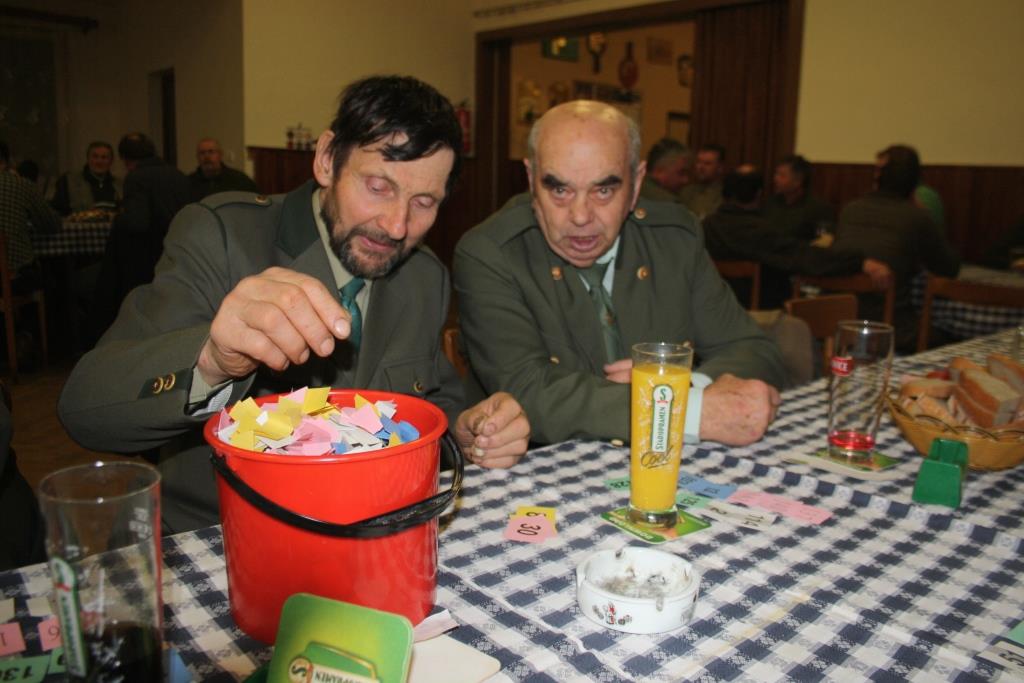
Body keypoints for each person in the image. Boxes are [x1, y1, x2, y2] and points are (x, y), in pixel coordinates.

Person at [59, 76, 530, 533]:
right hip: (216, 536)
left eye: (424, 201)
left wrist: (465, 431)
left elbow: (433, 401)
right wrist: (211, 360)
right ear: (326, 160)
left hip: (370, 534)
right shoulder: (220, 235)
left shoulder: (424, 277)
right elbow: (84, 409)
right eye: (378, 186)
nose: (396, 226)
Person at [454, 101, 783, 450]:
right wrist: (680, 409)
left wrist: (684, 385)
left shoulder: (673, 239)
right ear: (531, 179)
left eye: (604, 190)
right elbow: (528, 391)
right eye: (560, 190)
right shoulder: (490, 253)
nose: (580, 216)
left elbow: (754, 350)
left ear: (637, 183)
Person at [832, 144, 960, 351]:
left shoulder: (850, 209)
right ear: (915, 182)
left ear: (878, 178)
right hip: (889, 328)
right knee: (951, 336)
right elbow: (949, 268)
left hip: (839, 321)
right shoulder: (916, 217)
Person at [705, 167, 891, 309]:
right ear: (759, 194)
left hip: (713, 309)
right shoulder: (756, 231)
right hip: (761, 317)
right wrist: (859, 262)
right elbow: (803, 257)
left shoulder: (707, 226)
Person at [89, 133, 190, 341]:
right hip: (179, 253)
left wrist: (119, 218)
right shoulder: (178, 175)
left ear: (125, 159)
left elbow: (137, 222)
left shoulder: (136, 178)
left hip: (148, 258)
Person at [0, 142, 60, 290]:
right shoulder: (21, 185)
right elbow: (51, 225)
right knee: (52, 274)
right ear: (5, 162)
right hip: (13, 276)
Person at [764, 154, 835, 242]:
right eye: (776, 174)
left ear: (798, 180)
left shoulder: (818, 208)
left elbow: (824, 241)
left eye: (782, 175)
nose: (775, 179)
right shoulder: (770, 203)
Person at [51, 141, 121, 216]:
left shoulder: (119, 185)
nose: (99, 161)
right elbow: (57, 212)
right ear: (88, 159)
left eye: (104, 157)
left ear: (111, 161)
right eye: (95, 157)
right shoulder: (68, 181)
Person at [188, 137, 259, 201]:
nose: (207, 156)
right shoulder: (189, 183)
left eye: (211, 152)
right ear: (197, 157)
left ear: (220, 154)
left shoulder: (239, 180)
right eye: (202, 153)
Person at [679, 143, 725, 219]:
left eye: (707, 164)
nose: (700, 167)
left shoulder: (724, 195)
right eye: (698, 162)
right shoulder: (685, 192)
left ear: (719, 167)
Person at [639, 137, 689, 203]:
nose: (685, 180)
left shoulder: (631, 188)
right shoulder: (669, 203)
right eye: (681, 173)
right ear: (659, 171)